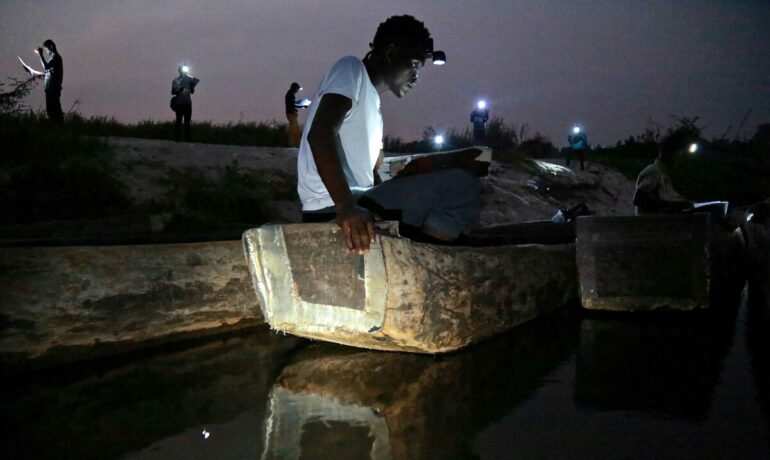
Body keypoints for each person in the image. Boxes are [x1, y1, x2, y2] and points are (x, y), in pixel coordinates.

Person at [298, 15, 481, 254]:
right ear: (391, 53)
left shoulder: (374, 110)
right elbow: (320, 133)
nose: (416, 76)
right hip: (331, 206)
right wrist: (347, 207)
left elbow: (374, 175)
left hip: (362, 199)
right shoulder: (351, 69)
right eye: (414, 65)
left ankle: (422, 252)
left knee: (452, 182)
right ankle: (429, 261)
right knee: (460, 185)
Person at [633, 129, 696, 215]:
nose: (682, 159)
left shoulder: (663, 174)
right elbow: (639, 199)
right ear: (669, 153)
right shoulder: (654, 172)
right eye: (680, 154)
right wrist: (674, 205)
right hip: (650, 225)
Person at [37, 39, 64, 123]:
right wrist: (41, 77)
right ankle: (56, 125)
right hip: (50, 88)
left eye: (46, 49)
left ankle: (58, 126)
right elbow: (49, 73)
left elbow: (46, 67)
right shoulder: (53, 58)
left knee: (54, 110)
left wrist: (40, 55)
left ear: (51, 47)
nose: (46, 51)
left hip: (53, 88)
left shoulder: (56, 58)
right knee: (50, 109)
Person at [171, 65, 199, 142]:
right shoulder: (176, 81)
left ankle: (188, 138)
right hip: (179, 103)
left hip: (187, 103)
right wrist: (179, 89)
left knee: (187, 121)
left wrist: (192, 87)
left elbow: (192, 92)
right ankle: (177, 138)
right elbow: (173, 92)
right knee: (179, 121)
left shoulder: (189, 80)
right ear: (179, 71)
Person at [285, 82, 304, 147]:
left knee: (297, 130)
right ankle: (292, 145)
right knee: (293, 130)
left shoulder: (290, 94)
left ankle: (297, 144)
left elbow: (293, 104)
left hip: (292, 114)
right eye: (297, 89)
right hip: (291, 114)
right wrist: (300, 105)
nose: (297, 91)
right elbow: (292, 105)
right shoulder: (290, 95)